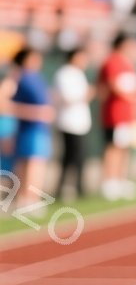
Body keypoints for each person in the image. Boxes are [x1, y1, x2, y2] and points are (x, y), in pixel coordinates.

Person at [7, 48, 55, 215]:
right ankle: (26, 200)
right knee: (30, 164)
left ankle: (30, 200)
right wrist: (36, 113)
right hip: (29, 128)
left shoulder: (36, 78)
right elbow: (6, 104)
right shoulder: (18, 77)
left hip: (40, 129)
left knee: (36, 163)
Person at [96, 33, 136, 200]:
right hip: (115, 113)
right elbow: (113, 86)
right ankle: (109, 181)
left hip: (127, 114)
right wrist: (133, 98)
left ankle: (120, 178)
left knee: (124, 147)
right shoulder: (111, 61)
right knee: (113, 147)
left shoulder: (128, 63)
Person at [53, 45, 92, 202]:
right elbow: (68, 98)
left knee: (79, 157)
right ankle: (63, 188)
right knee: (69, 157)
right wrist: (87, 94)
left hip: (80, 123)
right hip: (68, 123)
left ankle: (79, 187)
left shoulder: (78, 74)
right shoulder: (64, 74)